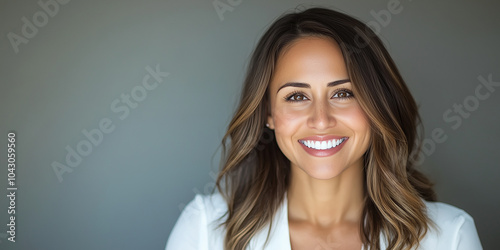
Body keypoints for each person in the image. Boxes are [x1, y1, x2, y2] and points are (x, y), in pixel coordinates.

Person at [165, 7, 482, 250]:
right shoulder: (206, 230)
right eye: (297, 96)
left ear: (376, 106)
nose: (321, 119)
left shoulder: (449, 235)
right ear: (268, 114)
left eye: (344, 93)